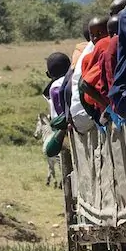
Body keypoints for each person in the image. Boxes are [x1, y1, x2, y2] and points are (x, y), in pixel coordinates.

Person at [43, 52, 71, 186]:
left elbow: (58, 118)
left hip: (68, 127)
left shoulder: (54, 88)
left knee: (49, 150)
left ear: (49, 75)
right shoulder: (75, 77)